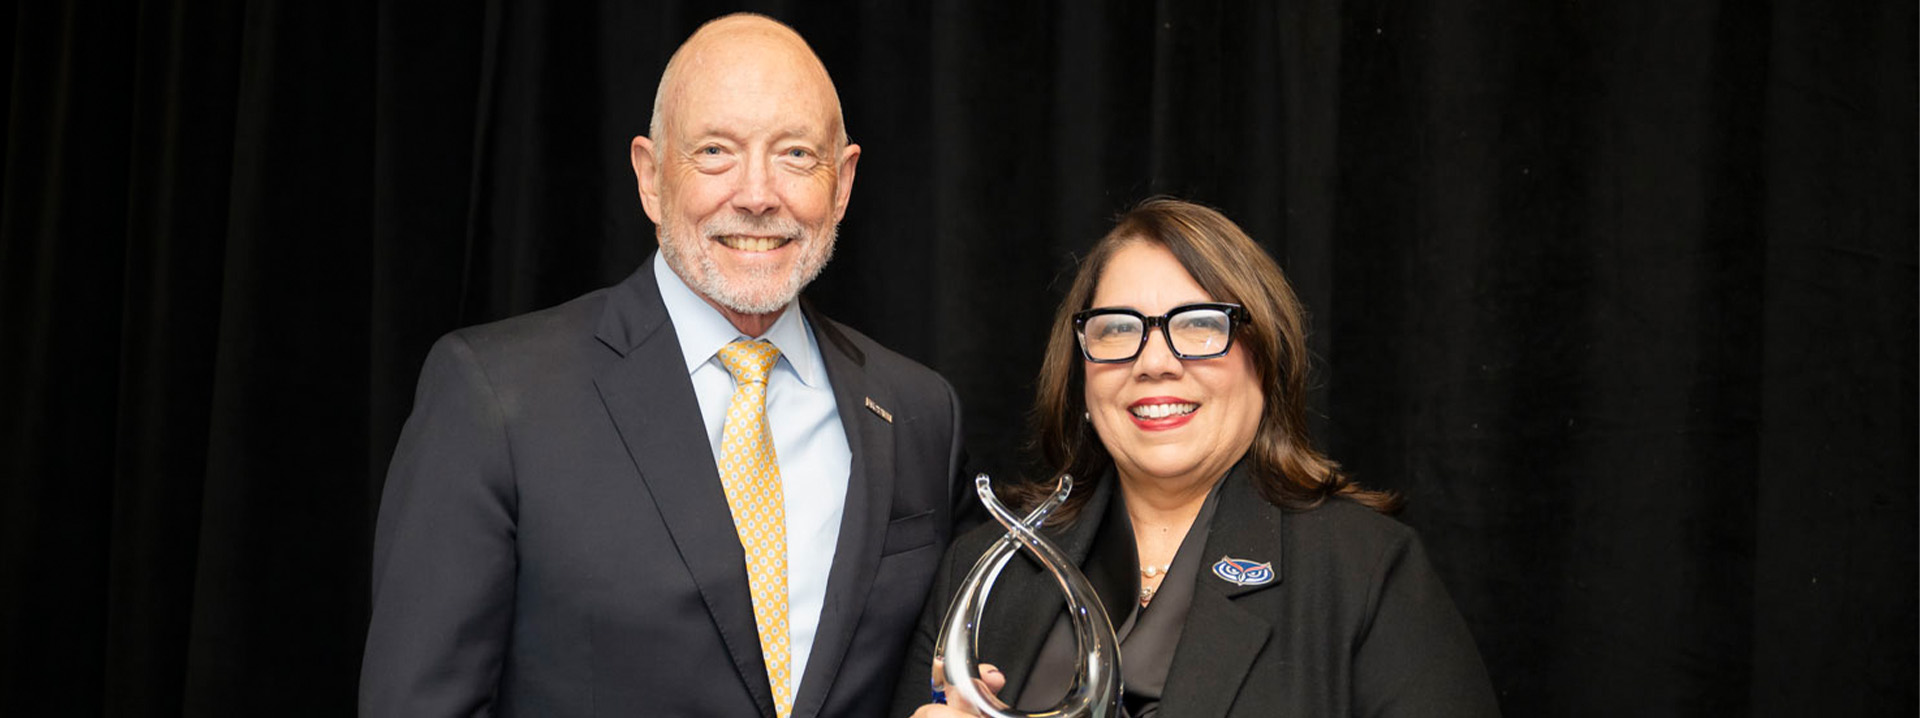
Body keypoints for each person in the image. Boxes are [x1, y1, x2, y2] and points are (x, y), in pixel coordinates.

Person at [360, 14, 968, 718]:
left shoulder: (919, 414)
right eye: (715, 151)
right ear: (650, 177)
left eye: (796, 155)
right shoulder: (494, 397)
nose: (757, 194)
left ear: (843, 183)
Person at [892, 198, 1498, 717]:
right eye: (1118, 329)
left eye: (1201, 325)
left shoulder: (1367, 573)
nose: (1155, 362)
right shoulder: (980, 572)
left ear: (1264, 356)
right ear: (1081, 371)